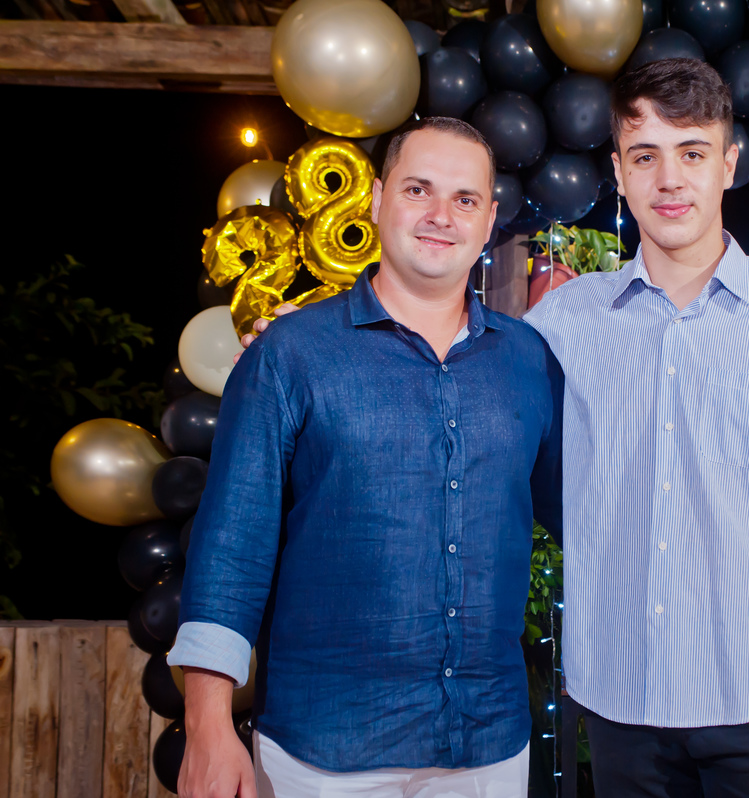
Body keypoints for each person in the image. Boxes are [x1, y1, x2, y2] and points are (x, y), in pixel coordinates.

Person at [519, 58, 749, 796]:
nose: (669, 180)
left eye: (691, 153)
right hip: (619, 697)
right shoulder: (562, 321)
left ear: (728, 164)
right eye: (644, 156)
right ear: (618, 173)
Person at [167, 116, 563, 798]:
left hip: (488, 746)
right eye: (418, 190)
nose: (441, 216)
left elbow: (585, 514)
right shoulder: (289, 354)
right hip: (323, 750)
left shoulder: (529, 361)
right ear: (377, 200)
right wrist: (207, 726)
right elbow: (231, 547)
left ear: (489, 221)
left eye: (465, 199)